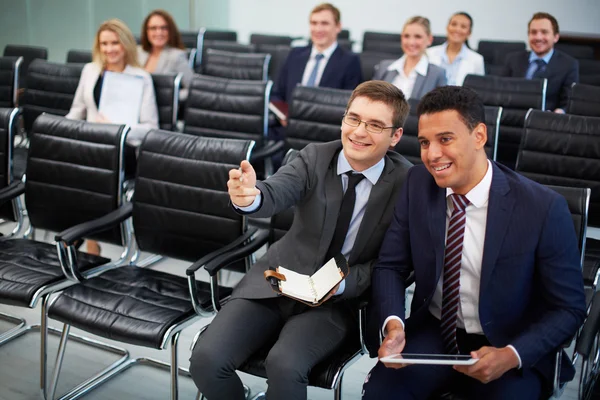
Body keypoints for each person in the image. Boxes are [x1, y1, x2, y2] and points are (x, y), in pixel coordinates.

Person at [189, 80, 412, 400]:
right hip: (278, 280)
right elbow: (275, 191)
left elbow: (395, 263)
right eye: (353, 118)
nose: (359, 132)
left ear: (395, 136)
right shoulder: (315, 157)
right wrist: (250, 197)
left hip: (339, 301)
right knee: (206, 359)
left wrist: (345, 284)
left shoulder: (406, 183)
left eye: (375, 125)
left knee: (285, 365)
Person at [362, 86, 586, 400]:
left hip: (508, 342)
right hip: (437, 333)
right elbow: (391, 266)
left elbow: (569, 308)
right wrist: (394, 325)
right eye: (425, 142)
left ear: (479, 136)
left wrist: (512, 354)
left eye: (445, 139)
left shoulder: (542, 208)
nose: (432, 154)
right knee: (380, 394)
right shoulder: (417, 184)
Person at [66, 18, 158, 254]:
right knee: (62, 163)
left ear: (126, 44)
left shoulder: (141, 77)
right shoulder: (90, 70)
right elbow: (77, 110)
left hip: (123, 148)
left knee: (83, 171)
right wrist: (59, 132)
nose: (109, 49)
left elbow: (150, 128)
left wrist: (119, 127)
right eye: (104, 44)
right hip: (90, 143)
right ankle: (87, 237)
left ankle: (83, 236)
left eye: (114, 43)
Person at [271, 3, 362, 106]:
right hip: (290, 120)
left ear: (338, 27)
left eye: (324, 23)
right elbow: (277, 94)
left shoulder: (350, 61)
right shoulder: (294, 55)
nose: (318, 29)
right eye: (314, 23)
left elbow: (349, 103)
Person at [501, 12, 578, 113]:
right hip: (512, 118)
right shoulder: (513, 59)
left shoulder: (568, 64)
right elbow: (501, 92)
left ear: (556, 37)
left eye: (544, 32)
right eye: (533, 32)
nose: (538, 37)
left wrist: (559, 112)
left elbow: (568, 102)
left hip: (545, 121)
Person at [373, 16, 447, 100]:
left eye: (418, 37)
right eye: (406, 36)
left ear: (429, 40)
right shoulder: (385, 67)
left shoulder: (437, 74)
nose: (411, 42)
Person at [137, 9, 194, 100]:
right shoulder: (138, 52)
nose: (159, 32)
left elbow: (192, 89)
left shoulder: (176, 56)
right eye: (153, 28)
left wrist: (171, 98)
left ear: (170, 31)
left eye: (164, 28)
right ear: (146, 31)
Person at [427, 12, 485, 86]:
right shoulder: (428, 53)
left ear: (469, 33)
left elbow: (478, 89)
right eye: (454, 24)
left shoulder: (477, 60)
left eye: (463, 27)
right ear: (447, 27)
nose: (457, 29)